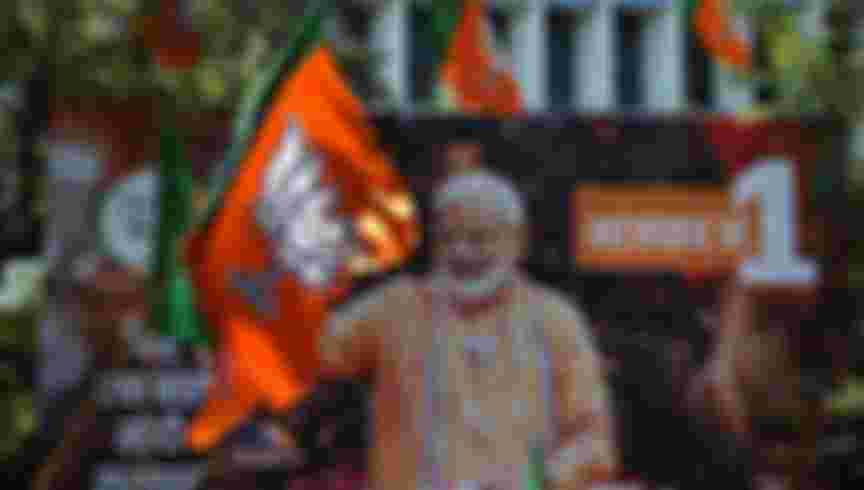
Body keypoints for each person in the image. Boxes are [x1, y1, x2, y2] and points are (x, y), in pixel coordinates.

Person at [318, 170, 616, 490]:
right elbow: (315, 350)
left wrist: (537, 479)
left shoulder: (556, 321)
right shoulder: (395, 309)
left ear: (517, 242)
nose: (461, 252)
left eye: (478, 238)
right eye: (449, 238)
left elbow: (594, 442)